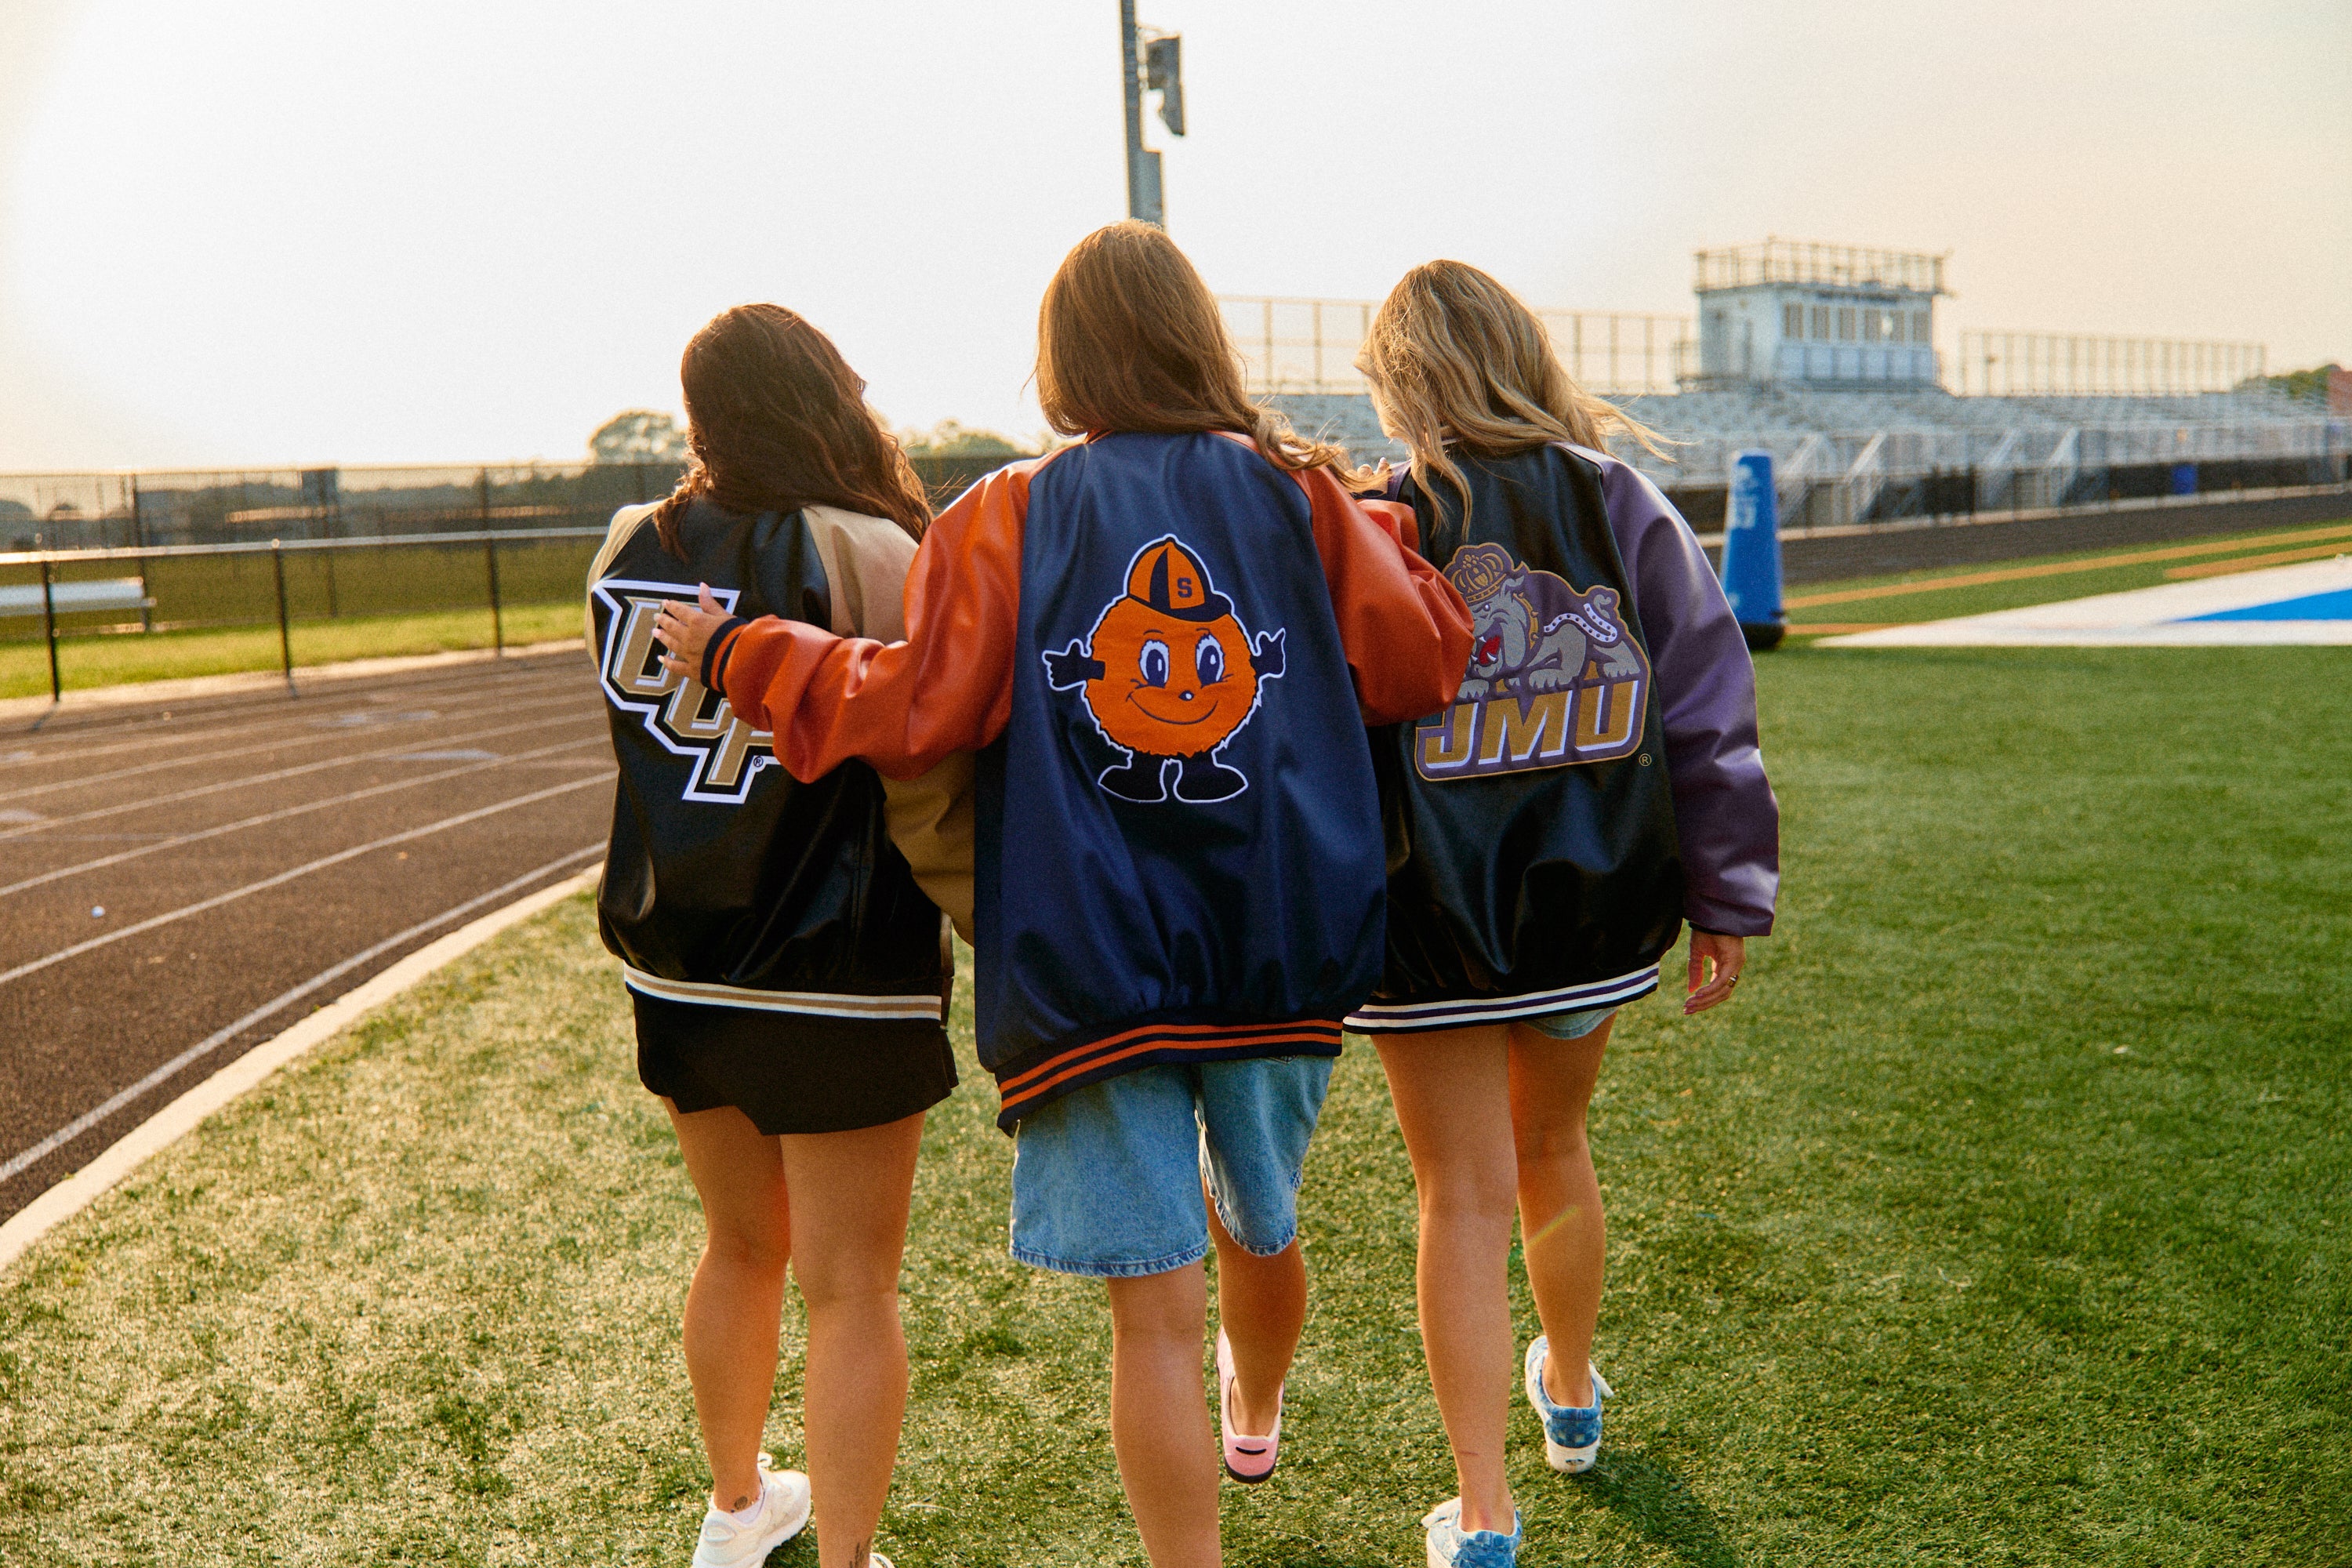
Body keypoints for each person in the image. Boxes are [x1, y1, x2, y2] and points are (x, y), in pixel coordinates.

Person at [652, 222, 1473, 1568]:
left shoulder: (1008, 513)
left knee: (1149, 1319)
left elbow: (916, 704)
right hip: (1279, 949)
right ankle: (1254, 1413)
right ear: (1201, 338)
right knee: (1263, 1227)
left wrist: (754, 650)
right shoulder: (1302, 498)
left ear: (1059, 358)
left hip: (1085, 965)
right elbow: (1421, 661)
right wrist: (1379, 523)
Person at [1341, 261, 1780, 1568]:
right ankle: (1573, 1394)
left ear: (1399, 381)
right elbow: (1709, 706)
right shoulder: (1618, 497)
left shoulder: (1373, 519)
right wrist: (1728, 894)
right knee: (1555, 1151)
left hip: (1422, 923)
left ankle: (1482, 1514)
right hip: (1593, 906)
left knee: (1457, 1195)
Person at [586, 303, 971, 1568]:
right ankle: (847, 1556)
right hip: (840, 964)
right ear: (823, 395)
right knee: (852, 1286)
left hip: (681, 961)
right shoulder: (867, 545)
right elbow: (931, 750)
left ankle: (739, 1507)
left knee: (740, 1248)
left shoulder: (626, 543)